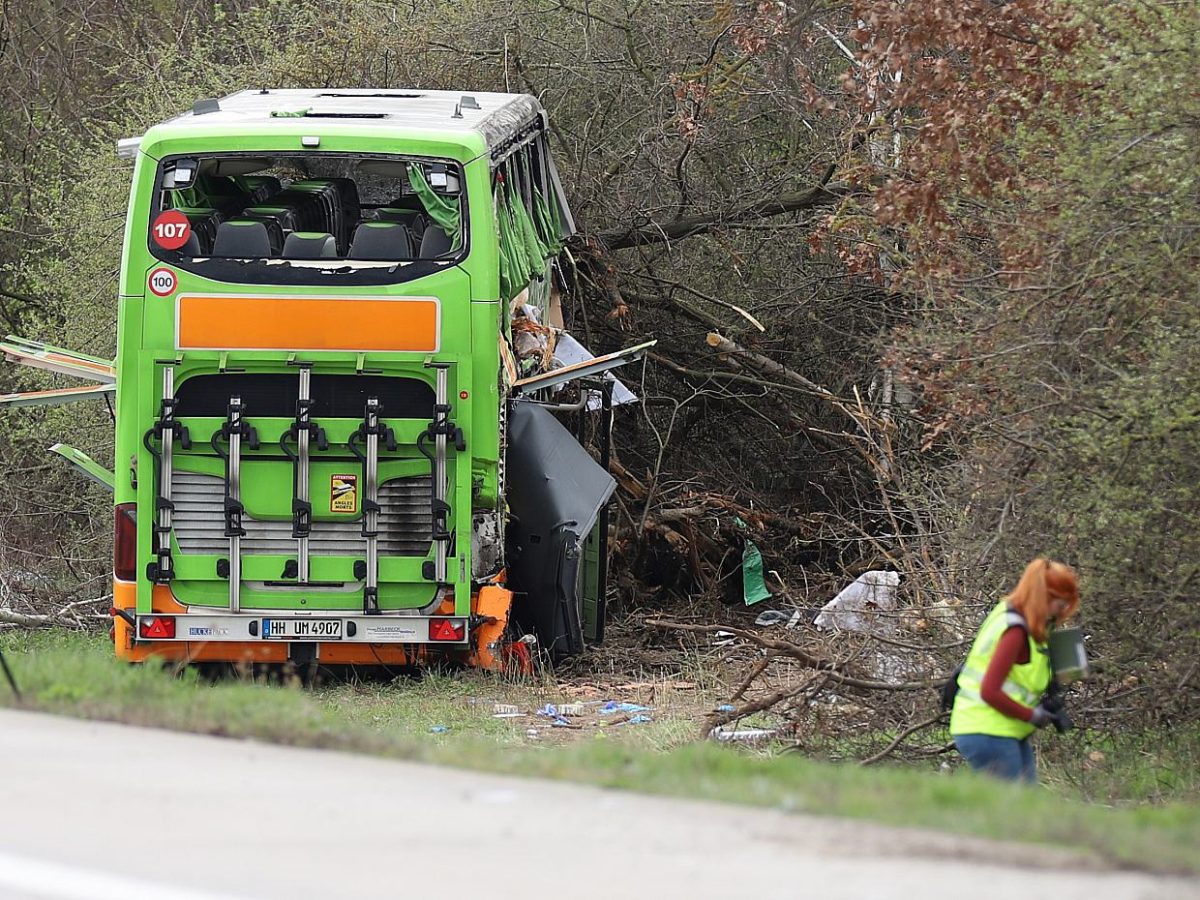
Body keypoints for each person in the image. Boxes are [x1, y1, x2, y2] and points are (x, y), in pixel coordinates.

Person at [949, 558, 1080, 783]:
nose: (1060, 615)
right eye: (1060, 606)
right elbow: (989, 691)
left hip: (999, 730)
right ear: (1044, 597)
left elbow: (1020, 679)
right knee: (1012, 810)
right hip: (986, 730)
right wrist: (1032, 715)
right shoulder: (1015, 631)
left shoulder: (1015, 618)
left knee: (1021, 807)